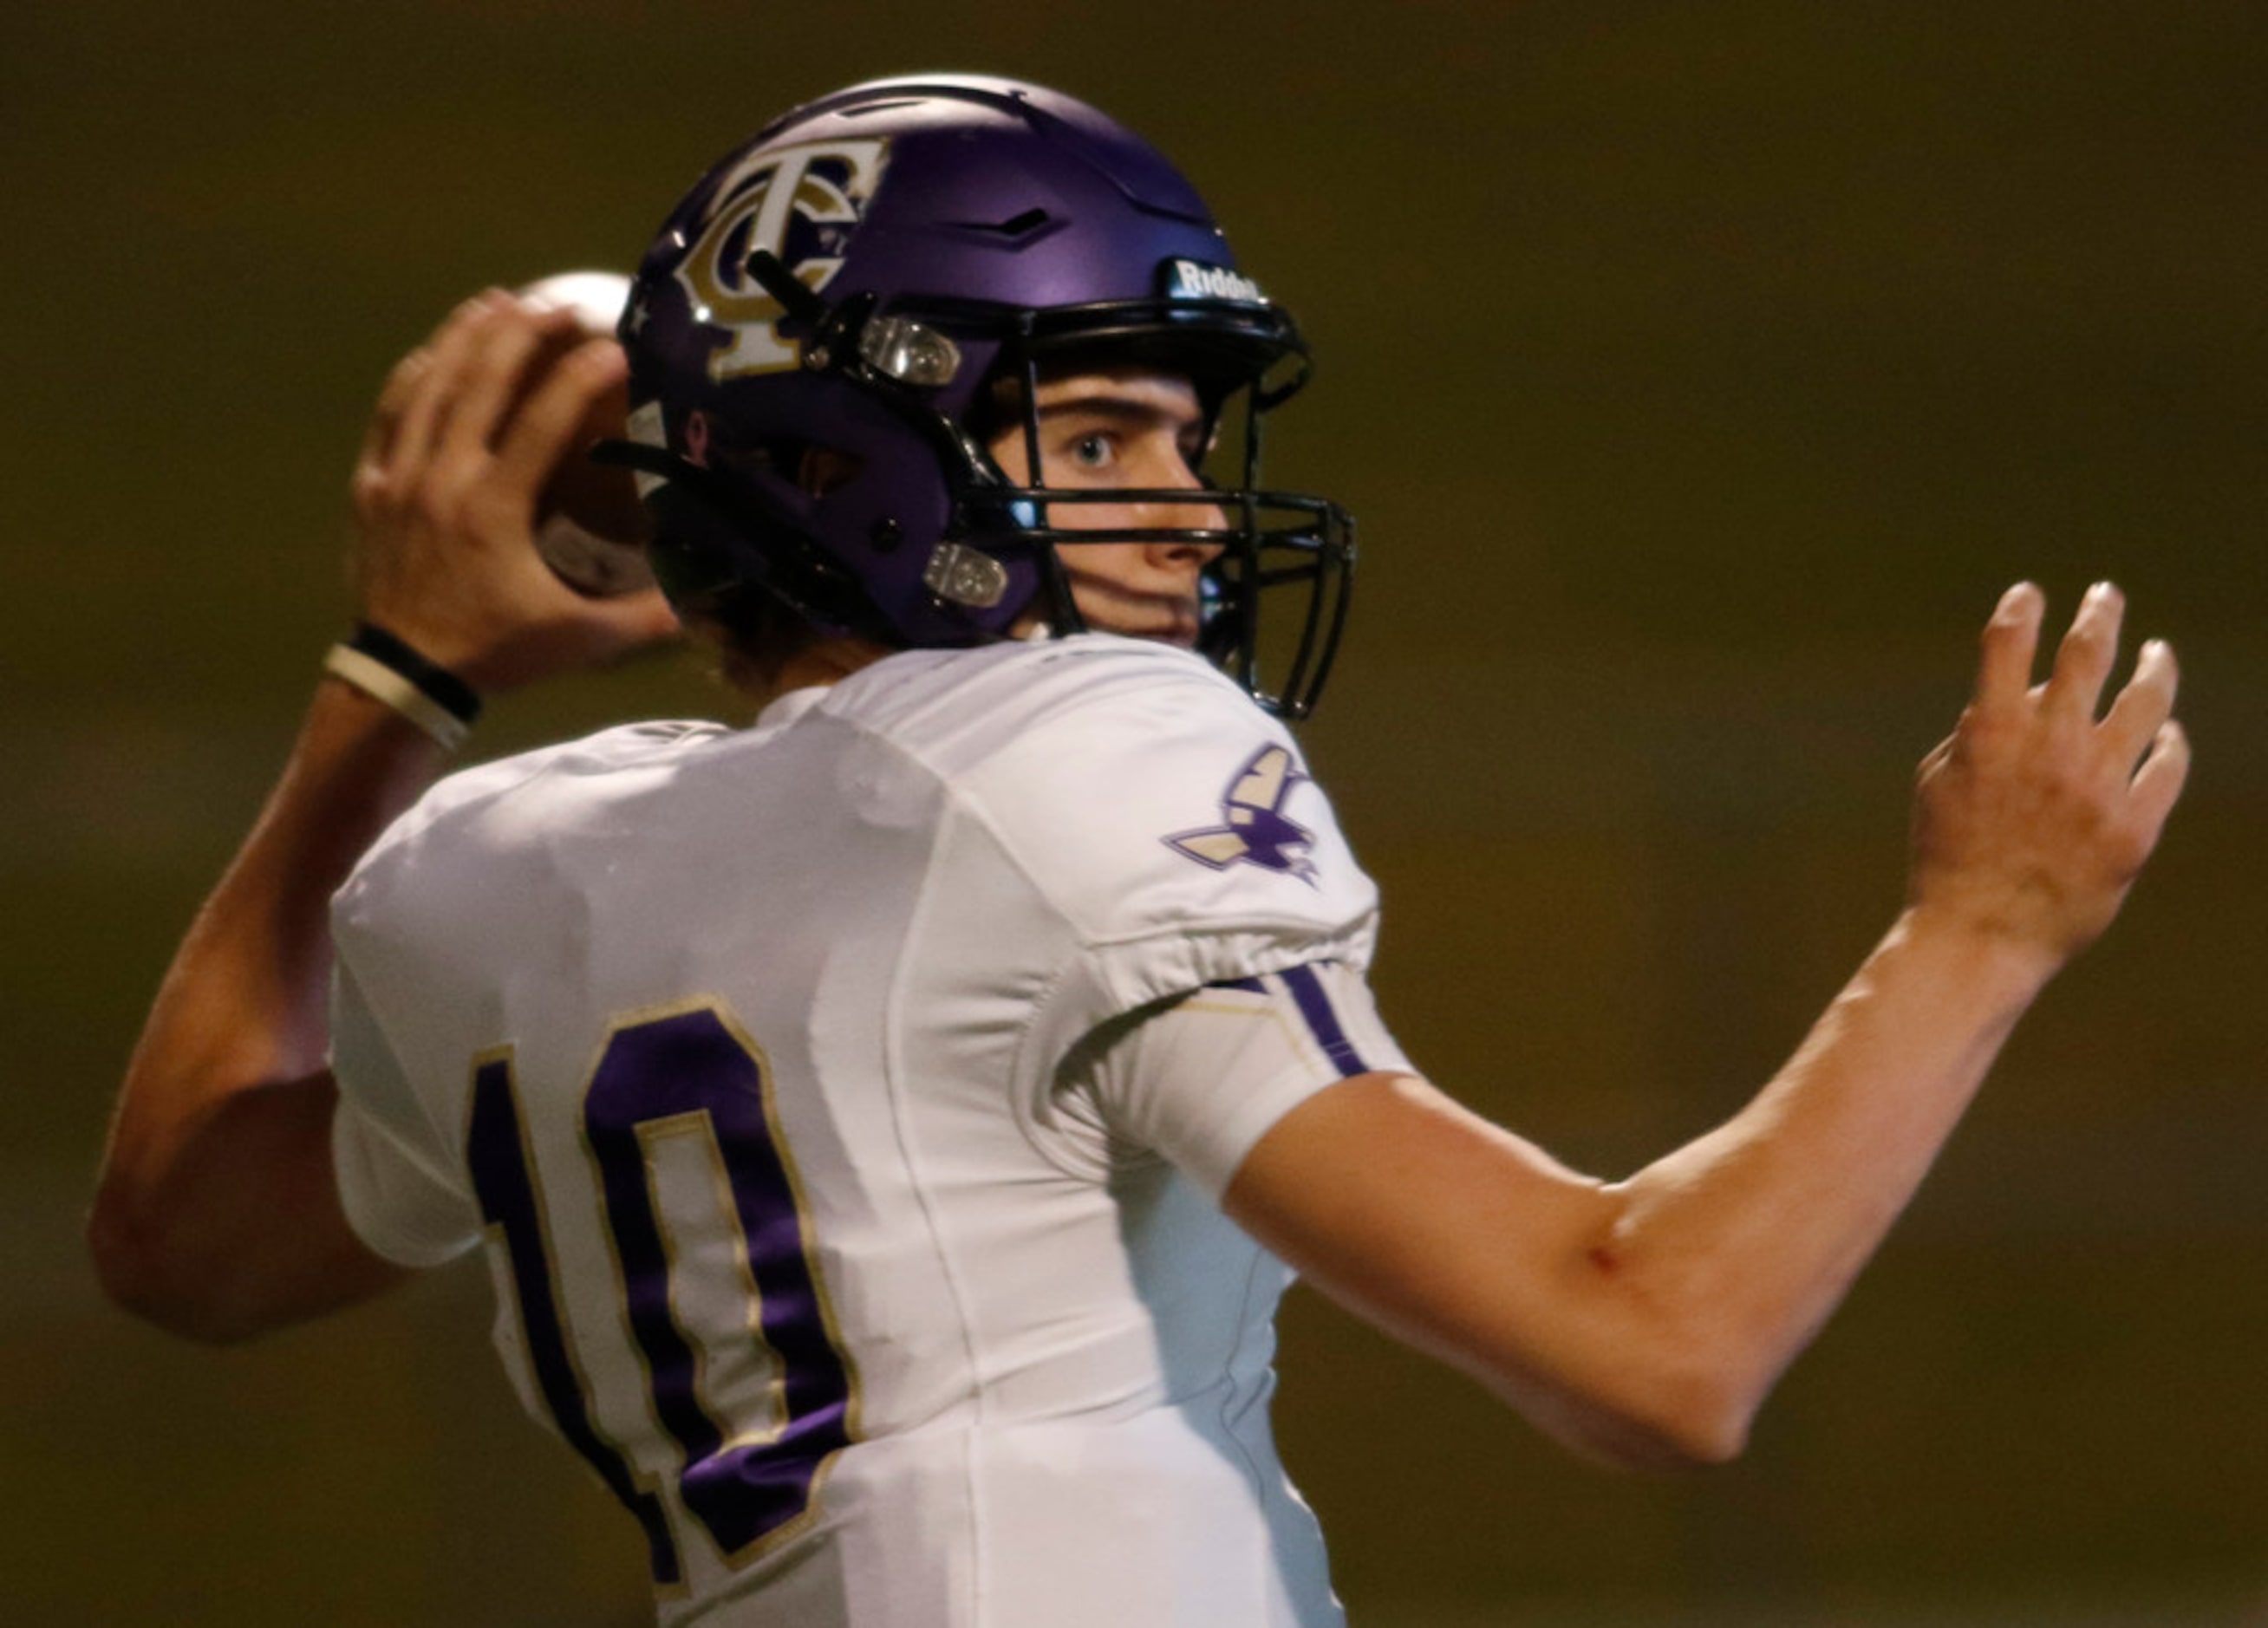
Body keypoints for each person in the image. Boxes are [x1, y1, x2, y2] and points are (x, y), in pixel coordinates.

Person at [88, 75, 2188, 1628]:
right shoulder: (1070, 752)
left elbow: (186, 1243)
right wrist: (1984, 923)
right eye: (1097, 437)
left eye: (1188, 441)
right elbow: (1655, 1347)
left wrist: (393, 682)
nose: (1188, 511)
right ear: (846, 457)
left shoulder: (496, 861)